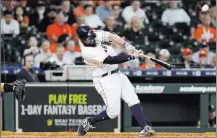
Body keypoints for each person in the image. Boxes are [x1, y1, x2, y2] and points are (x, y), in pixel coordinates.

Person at [76, 24, 155, 137]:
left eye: (92, 36)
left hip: (117, 73)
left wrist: (127, 45)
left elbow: (112, 36)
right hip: (104, 79)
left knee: (133, 99)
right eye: (89, 38)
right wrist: (131, 56)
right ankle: (90, 121)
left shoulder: (94, 34)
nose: (93, 39)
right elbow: (111, 60)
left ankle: (144, 128)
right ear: (82, 39)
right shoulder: (87, 51)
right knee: (113, 112)